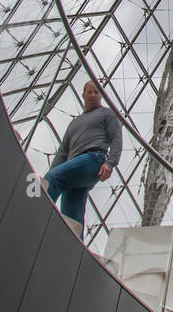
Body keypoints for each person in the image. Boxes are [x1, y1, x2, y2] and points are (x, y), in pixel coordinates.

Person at [40, 80, 120, 238]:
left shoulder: (107, 114)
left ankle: (38, 217)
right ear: (83, 95)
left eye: (97, 92)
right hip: (76, 167)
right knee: (71, 221)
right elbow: (62, 153)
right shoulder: (73, 124)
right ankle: (72, 252)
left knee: (53, 178)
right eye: (90, 92)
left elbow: (117, 138)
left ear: (102, 96)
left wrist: (110, 163)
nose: (93, 95)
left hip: (93, 159)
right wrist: (50, 173)